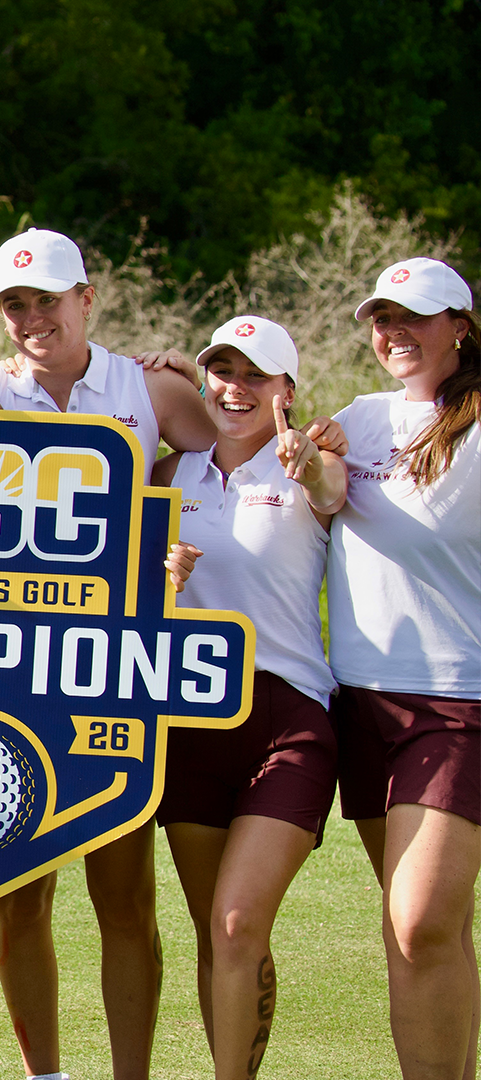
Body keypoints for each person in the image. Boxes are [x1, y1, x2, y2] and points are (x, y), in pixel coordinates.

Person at [0, 227, 215, 1080]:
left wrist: (200, 391)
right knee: (22, 893)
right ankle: (46, 1074)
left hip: (117, 670)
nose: (32, 318)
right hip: (16, 676)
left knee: (125, 896)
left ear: (87, 300)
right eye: (15, 304)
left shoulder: (149, 388)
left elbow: (243, 453)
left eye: (48, 300)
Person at [149, 316, 345, 1079]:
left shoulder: (310, 463)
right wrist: (162, 582)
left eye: (255, 375)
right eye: (223, 371)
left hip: (287, 719)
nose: (236, 388)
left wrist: (312, 464)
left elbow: (330, 488)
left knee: (237, 923)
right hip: (190, 720)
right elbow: (127, 598)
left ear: (287, 390)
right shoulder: (170, 474)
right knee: (217, 934)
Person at [328, 258, 481, 1080]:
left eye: (413, 317)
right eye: (382, 319)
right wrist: (170, 370)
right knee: (430, 932)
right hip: (362, 702)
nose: (394, 333)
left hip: (459, 703)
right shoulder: (361, 416)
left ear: (460, 326)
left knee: (419, 924)